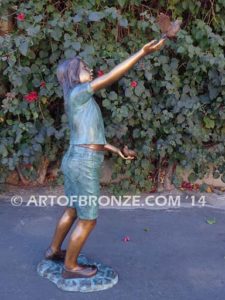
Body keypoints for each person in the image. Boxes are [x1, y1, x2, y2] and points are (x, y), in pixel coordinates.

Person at [44, 37, 166, 279]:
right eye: (84, 68)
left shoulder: (77, 100)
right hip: (83, 162)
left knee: (72, 209)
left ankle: (54, 250)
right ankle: (70, 266)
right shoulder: (79, 93)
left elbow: (90, 137)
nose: (89, 69)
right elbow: (110, 77)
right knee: (88, 219)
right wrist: (141, 52)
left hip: (75, 156)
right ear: (72, 75)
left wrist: (116, 150)